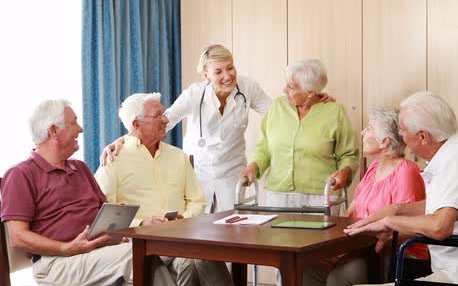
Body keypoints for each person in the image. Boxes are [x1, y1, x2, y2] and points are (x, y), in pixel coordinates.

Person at [101, 44, 333, 213]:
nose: (227, 76)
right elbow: (162, 120)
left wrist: (311, 97)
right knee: (200, 239)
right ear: (206, 75)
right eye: (218, 71)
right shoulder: (194, 94)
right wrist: (123, 139)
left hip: (232, 173)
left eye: (230, 68)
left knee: (234, 239)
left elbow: (278, 113)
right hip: (197, 175)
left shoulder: (247, 88)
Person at [0, 99, 183, 286]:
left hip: (97, 255)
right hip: (56, 263)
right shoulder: (20, 174)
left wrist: (128, 230)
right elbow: (17, 236)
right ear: (53, 131)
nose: (80, 129)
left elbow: (107, 214)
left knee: (146, 275)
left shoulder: (80, 168)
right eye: (74, 123)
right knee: (137, 257)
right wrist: (66, 248)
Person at [340, 91, 458, 286]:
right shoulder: (452, 153)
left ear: (423, 136)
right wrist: (396, 209)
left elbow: (440, 227)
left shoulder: (456, 162)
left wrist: (390, 222)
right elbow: (442, 205)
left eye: (402, 130)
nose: (400, 136)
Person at [94, 93, 238, 286]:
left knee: (197, 259)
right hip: (142, 245)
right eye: (158, 115)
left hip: (182, 239)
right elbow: (105, 213)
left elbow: (197, 200)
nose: (166, 119)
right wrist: (141, 223)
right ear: (137, 123)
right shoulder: (113, 159)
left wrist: (182, 222)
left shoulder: (178, 157)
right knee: (199, 258)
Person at [239, 59, 359, 286]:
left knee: (316, 259)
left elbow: (349, 155)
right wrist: (254, 166)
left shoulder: (334, 112)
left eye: (292, 86)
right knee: (282, 259)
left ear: (311, 92)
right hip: (279, 195)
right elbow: (264, 148)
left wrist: (344, 172)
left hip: (318, 197)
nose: (285, 90)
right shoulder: (277, 109)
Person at [302, 108, 427, 286]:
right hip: (360, 248)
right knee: (310, 268)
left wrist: (356, 248)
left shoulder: (406, 172)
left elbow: (409, 230)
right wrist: (333, 245)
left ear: (384, 141)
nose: (362, 132)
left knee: (342, 275)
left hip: (392, 254)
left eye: (368, 128)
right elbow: (351, 212)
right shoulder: (374, 167)